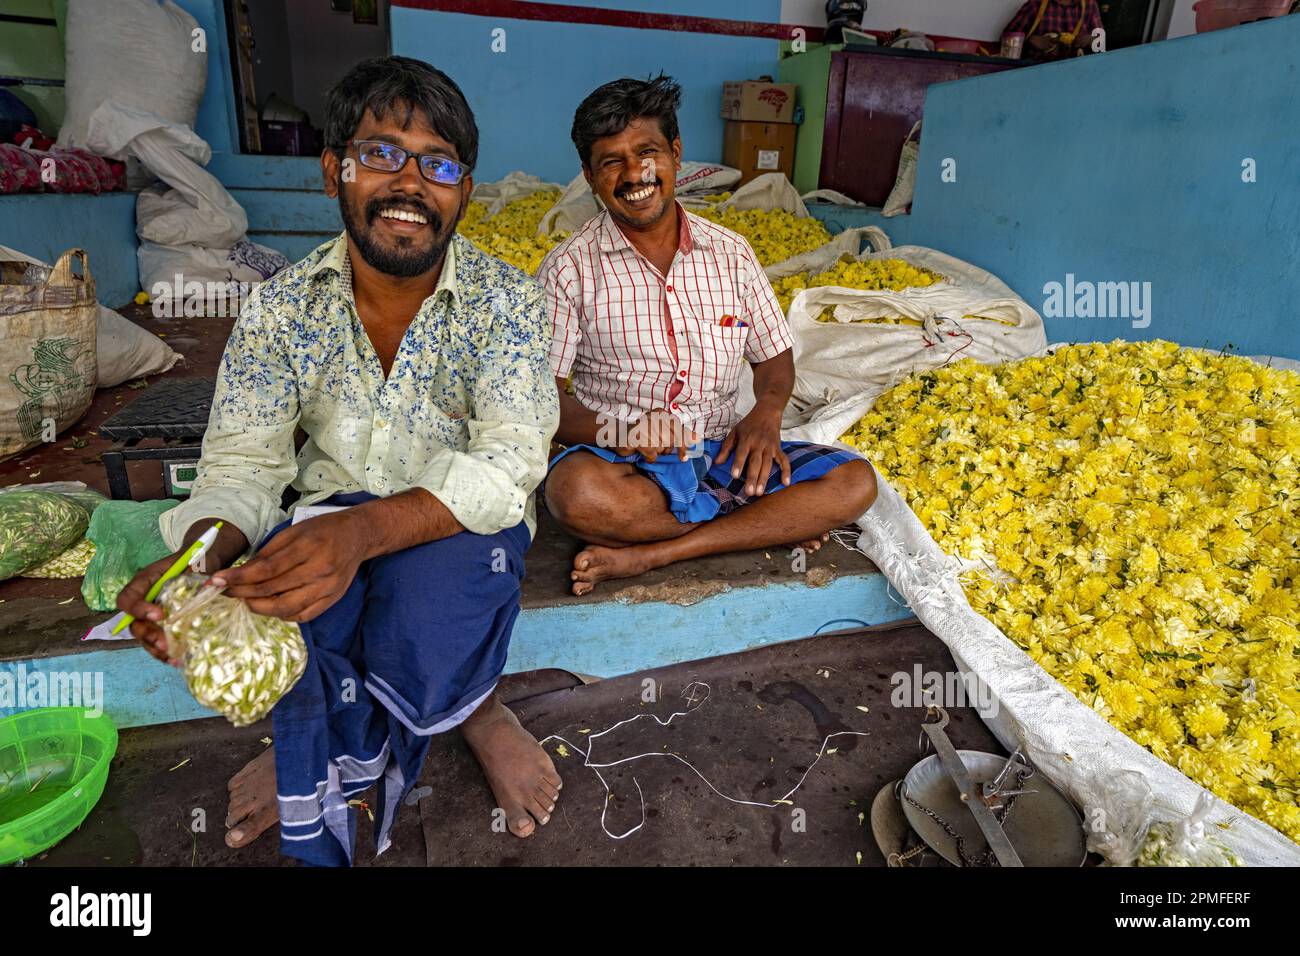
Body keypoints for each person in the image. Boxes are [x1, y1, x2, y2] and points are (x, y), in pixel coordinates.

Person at [117, 56, 562, 866]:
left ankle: (474, 710)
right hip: (327, 508)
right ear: (335, 169)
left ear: (463, 189)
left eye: (439, 164)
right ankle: (329, 739)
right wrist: (195, 560)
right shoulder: (281, 310)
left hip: (460, 516)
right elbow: (244, 465)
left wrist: (363, 536)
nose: (410, 184)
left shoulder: (509, 303)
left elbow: (508, 464)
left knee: (428, 612)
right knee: (290, 596)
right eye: (383, 153)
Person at [538, 75, 877, 597]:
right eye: (611, 162)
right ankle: (765, 522)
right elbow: (545, 401)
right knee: (575, 495)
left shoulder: (732, 255)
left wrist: (765, 415)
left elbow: (774, 358)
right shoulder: (568, 269)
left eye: (647, 152)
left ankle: (655, 551)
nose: (634, 175)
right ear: (589, 175)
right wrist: (625, 431)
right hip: (623, 462)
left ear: (675, 154)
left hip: (723, 453)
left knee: (855, 483)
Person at [1002, 0, 1105, 61]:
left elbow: (1101, 39)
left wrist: (1090, 40)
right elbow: (1006, 39)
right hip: (1038, 70)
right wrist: (1030, 40)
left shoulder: (1089, 5)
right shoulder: (1036, 4)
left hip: (1077, 70)